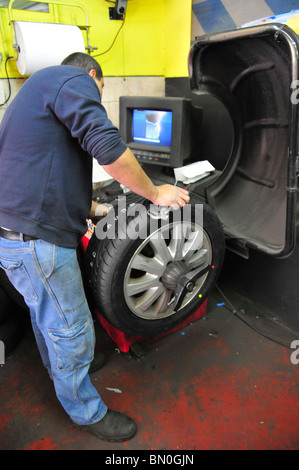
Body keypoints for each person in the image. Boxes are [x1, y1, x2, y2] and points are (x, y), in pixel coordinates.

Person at [0, 52, 189, 442]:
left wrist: (97, 208)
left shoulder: (35, 89)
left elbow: (43, 170)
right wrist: (155, 192)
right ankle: (86, 411)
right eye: (99, 91)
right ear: (92, 75)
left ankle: (63, 370)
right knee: (73, 329)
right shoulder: (73, 81)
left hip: (13, 236)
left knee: (46, 316)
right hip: (36, 243)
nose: (96, 96)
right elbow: (106, 146)